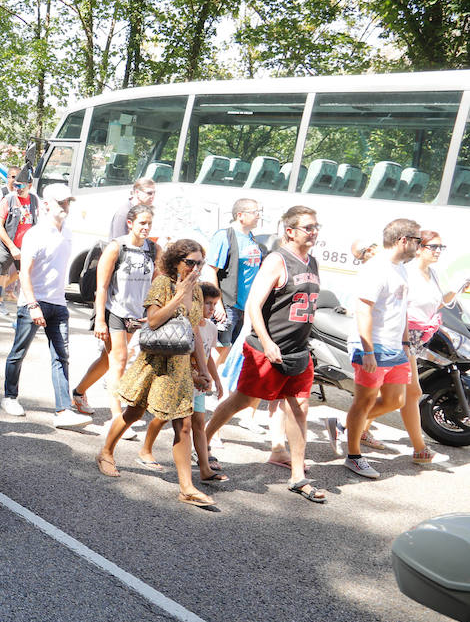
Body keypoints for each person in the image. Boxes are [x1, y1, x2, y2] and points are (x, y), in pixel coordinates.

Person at [204, 206, 324, 502]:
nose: (314, 232)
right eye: (308, 227)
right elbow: (255, 305)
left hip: (298, 352)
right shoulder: (277, 260)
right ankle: (202, 441)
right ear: (290, 231)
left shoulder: (313, 262)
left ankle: (298, 475)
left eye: (316, 226)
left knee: (300, 407)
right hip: (267, 350)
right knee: (242, 400)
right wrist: (268, 343)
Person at [95, 239, 217, 509]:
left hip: (181, 365)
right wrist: (178, 295)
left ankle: (187, 487)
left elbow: (194, 331)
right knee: (134, 412)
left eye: (200, 263)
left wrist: (204, 368)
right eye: (190, 262)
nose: (196, 268)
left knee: (183, 423)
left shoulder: (196, 291)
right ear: (176, 262)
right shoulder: (163, 284)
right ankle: (105, 452)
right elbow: (152, 320)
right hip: (156, 361)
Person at [322, 218, 421, 479]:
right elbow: (363, 310)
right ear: (403, 240)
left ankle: (343, 426)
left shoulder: (400, 267)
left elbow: (400, 309)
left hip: (395, 347)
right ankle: (353, 456)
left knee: (396, 400)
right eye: (417, 241)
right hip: (373, 345)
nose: (419, 246)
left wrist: (405, 341)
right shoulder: (377, 268)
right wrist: (367, 350)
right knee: (363, 401)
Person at [0, 184, 90, 429]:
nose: (65, 206)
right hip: (33, 303)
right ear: (46, 205)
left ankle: (63, 409)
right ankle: (10, 396)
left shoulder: (67, 231)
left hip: (58, 304)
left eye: (68, 202)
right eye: (61, 202)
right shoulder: (35, 235)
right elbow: (25, 274)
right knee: (18, 351)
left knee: (61, 356)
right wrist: (33, 304)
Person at [70, 204, 157, 421]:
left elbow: (157, 283)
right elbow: (102, 287)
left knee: (108, 360)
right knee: (119, 359)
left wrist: (153, 311)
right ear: (130, 223)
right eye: (142, 223)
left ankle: (78, 393)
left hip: (137, 314)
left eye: (149, 224)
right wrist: (100, 319)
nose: (146, 228)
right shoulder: (116, 247)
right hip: (115, 311)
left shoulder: (153, 249)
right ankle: (117, 416)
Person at [137, 282, 227, 480]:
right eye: (208, 304)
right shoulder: (187, 324)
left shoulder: (211, 328)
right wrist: (194, 376)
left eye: (215, 304)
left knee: (198, 423)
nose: (212, 309)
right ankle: (146, 449)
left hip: (199, 385)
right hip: (182, 379)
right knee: (162, 417)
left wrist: (215, 379)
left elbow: (209, 356)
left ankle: (204, 468)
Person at [402, 230, 469, 463]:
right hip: (404, 337)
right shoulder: (407, 273)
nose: (438, 252)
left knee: (390, 393)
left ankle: (355, 427)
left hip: (421, 337)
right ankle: (420, 450)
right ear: (419, 248)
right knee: (412, 393)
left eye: (441, 247)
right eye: (434, 247)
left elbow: (441, 303)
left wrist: (460, 286)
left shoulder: (433, 274)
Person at [201, 198, 267, 361]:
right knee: (219, 349)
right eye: (255, 212)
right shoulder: (225, 236)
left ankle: (220, 385)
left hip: (246, 307)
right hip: (229, 305)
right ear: (240, 215)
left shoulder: (251, 238)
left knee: (235, 351)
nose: (258, 216)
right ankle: (208, 383)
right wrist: (218, 305)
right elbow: (211, 270)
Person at [0, 167, 38, 301]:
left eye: (21, 185)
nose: (18, 188)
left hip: (25, 247)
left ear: (29, 185)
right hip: (6, 246)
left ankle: (2, 296)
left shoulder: (34, 200)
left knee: (22, 275)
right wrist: (11, 247)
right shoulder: (8, 199)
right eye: (16, 185)